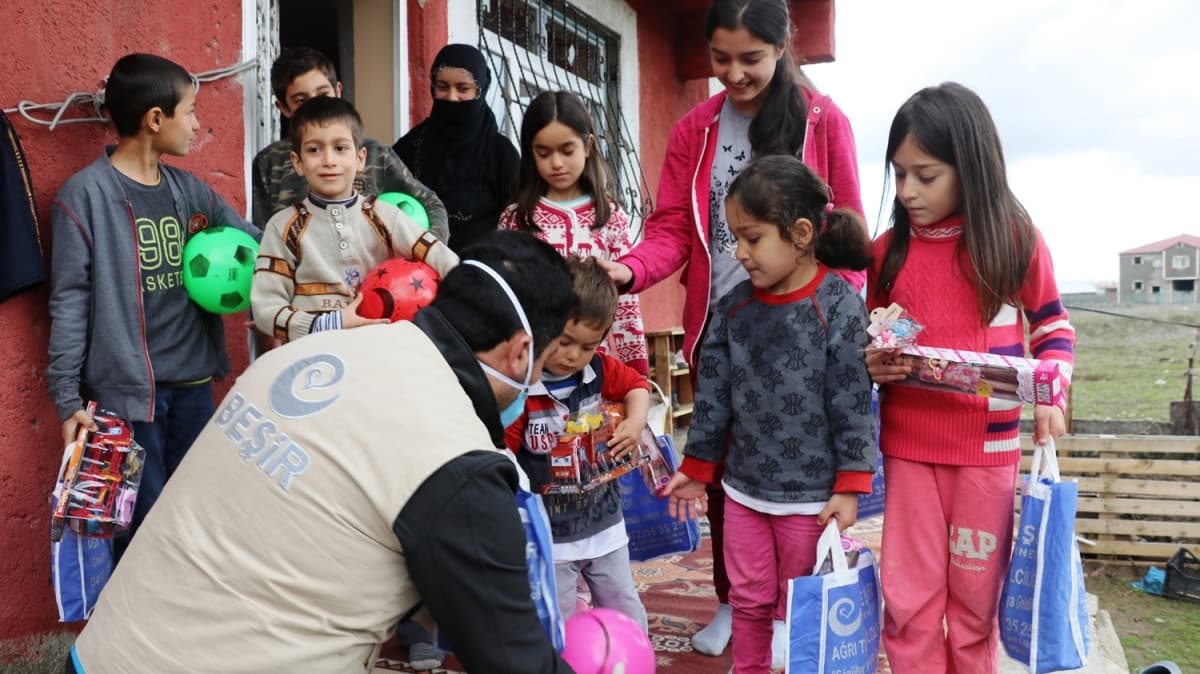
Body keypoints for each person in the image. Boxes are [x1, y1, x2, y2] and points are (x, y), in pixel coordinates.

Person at [64, 231, 577, 674]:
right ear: (520, 350)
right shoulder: (452, 457)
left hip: (104, 653)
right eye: (546, 364)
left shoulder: (308, 352)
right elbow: (512, 658)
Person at [595, 0, 866, 659]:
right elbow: (668, 230)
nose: (734, 74)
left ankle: (788, 612)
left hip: (804, 329)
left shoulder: (823, 120)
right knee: (719, 467)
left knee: (800, 475)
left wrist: (839, 322)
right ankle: (732, 600)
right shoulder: (697, 128)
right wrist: (627, 273)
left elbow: (849, 228)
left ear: (783, 48)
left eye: (751, 59)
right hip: (724, 323)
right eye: (721, 59)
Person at [864, 82, 1074, 674]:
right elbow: (874, 337)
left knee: (976, 601)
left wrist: (1050, 395)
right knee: (909, 601)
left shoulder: (1013, 242)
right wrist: (873, 363)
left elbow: (1053, 325)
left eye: (924, 176)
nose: (906, 192)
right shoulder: (888, 253)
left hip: (988, 452)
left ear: (971, 167)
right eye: (898, 175)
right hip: (908, 449)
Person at [661, 154, 877, 674]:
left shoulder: (840, 304)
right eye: (735, 237)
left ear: (801, 233)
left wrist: (849, 484)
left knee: (802, 608)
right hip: (743, 492)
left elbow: (851, 398)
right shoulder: (732, 307)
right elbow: (712, 395)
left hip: (809, 499)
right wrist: (697, 469)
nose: (739, 253)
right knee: (749, 599)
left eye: (752, 238)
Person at [46, 53, 260, 562]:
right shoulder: (85, 198)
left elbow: (253, 242)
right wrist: (67, 398)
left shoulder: (190, 192)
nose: (197, 123)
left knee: (192, 517)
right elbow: (69, 302)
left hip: (192, 389)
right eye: (190, 111)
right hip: (125, 399)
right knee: (140, 529)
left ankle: (185, 633)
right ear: (155, 119)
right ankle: (136, 638)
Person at [505, 256, 651, 629]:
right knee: (560, 618)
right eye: (564, 341)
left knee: (625, 611)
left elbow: (637, 386)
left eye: (587, 346)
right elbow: (503, 451)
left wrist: (634, 424)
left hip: (604, 523)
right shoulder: (523, 387)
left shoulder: (599, 369)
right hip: (551, 537)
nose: (573, 356)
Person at [251, 96, 458, 343]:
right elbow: (265, 309)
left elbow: (444, 260)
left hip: (379, 350)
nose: (329, 160)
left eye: (340, 148)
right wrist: (330, 323)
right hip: (312, 356)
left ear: (360, 159)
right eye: (314, 150)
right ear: (297, 162)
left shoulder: (385, 216)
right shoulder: (282, 227)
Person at [501, 91, 648, 375]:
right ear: (530, 153)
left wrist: (637, 374)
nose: (556, 163)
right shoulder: (516, 219)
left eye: (567, 151)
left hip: (592, 369)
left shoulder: (611, 217)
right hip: (531, 371)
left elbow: (626, 304)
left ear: (588, 145)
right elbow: (504, 297)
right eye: (543, 153)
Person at [251, 46, 449, 243]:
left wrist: (426, 253)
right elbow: (264, 235)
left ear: (338, 91)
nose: (316, 106)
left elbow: (431, 204)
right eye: (301, 100)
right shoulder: (269, 162)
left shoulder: (375, 155)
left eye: (322, 95)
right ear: (283, 108)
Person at [393, 44, 520, 254]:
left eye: (463, 89)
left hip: (480, 274)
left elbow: (518, 221)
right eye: (443, 87)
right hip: (416, 271)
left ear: (481, 90)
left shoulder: (501, 154)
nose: (452, 97)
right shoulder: (410, 147)